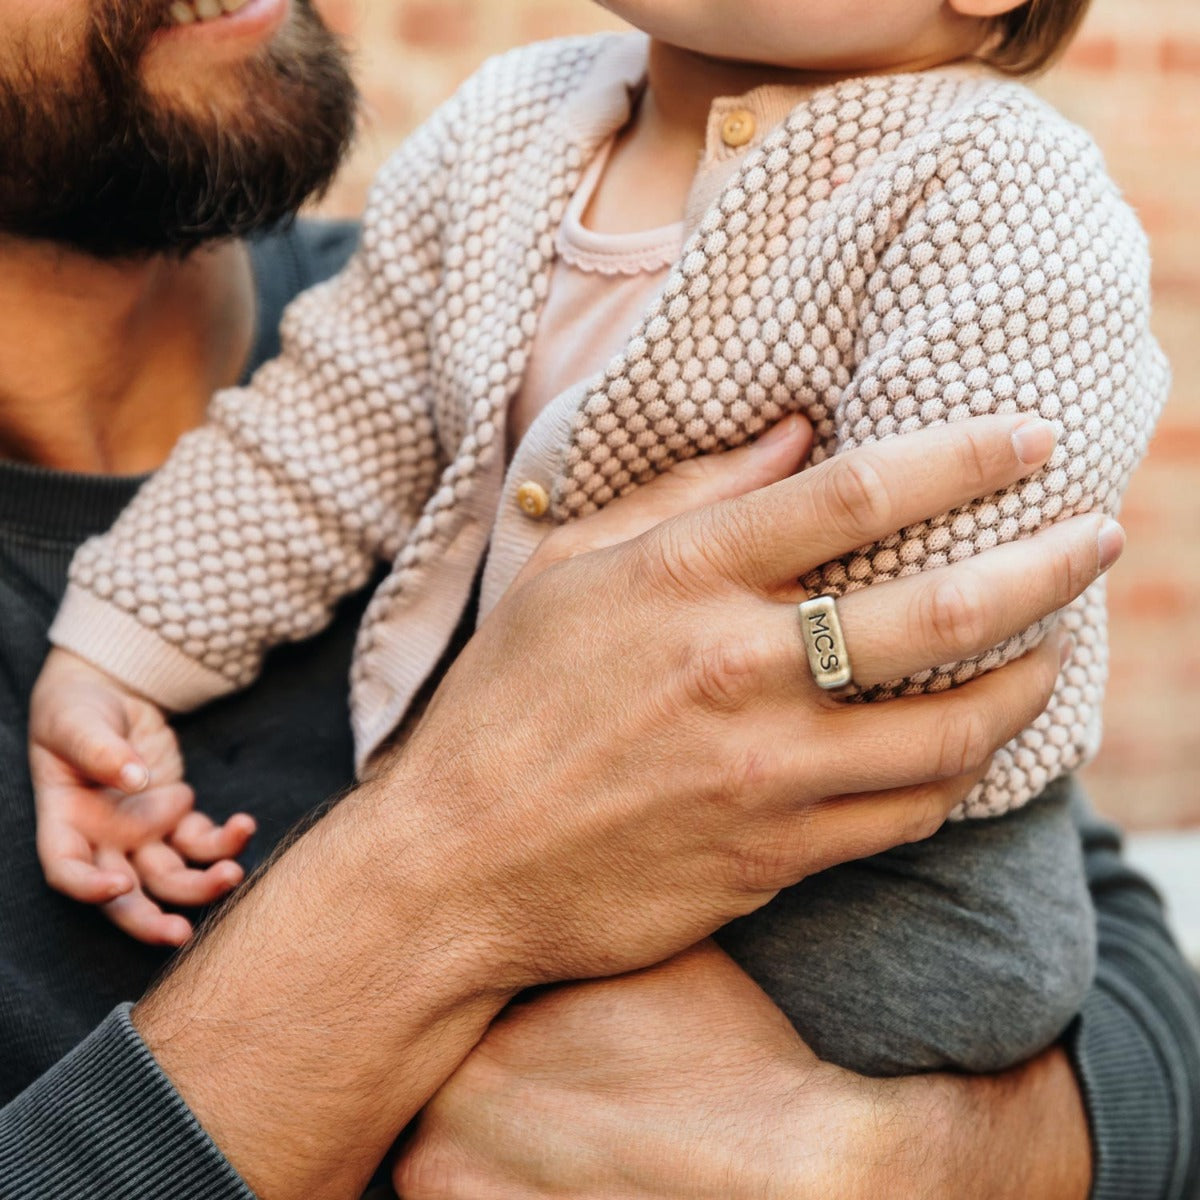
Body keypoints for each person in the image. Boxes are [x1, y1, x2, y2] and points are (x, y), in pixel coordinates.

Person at [0, 1, 1195, 1198]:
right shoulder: (505, 133)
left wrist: (943, 1161)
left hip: (889, 865)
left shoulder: (1002, 191)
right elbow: (326, 436)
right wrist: (120, 649)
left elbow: (973, 596)